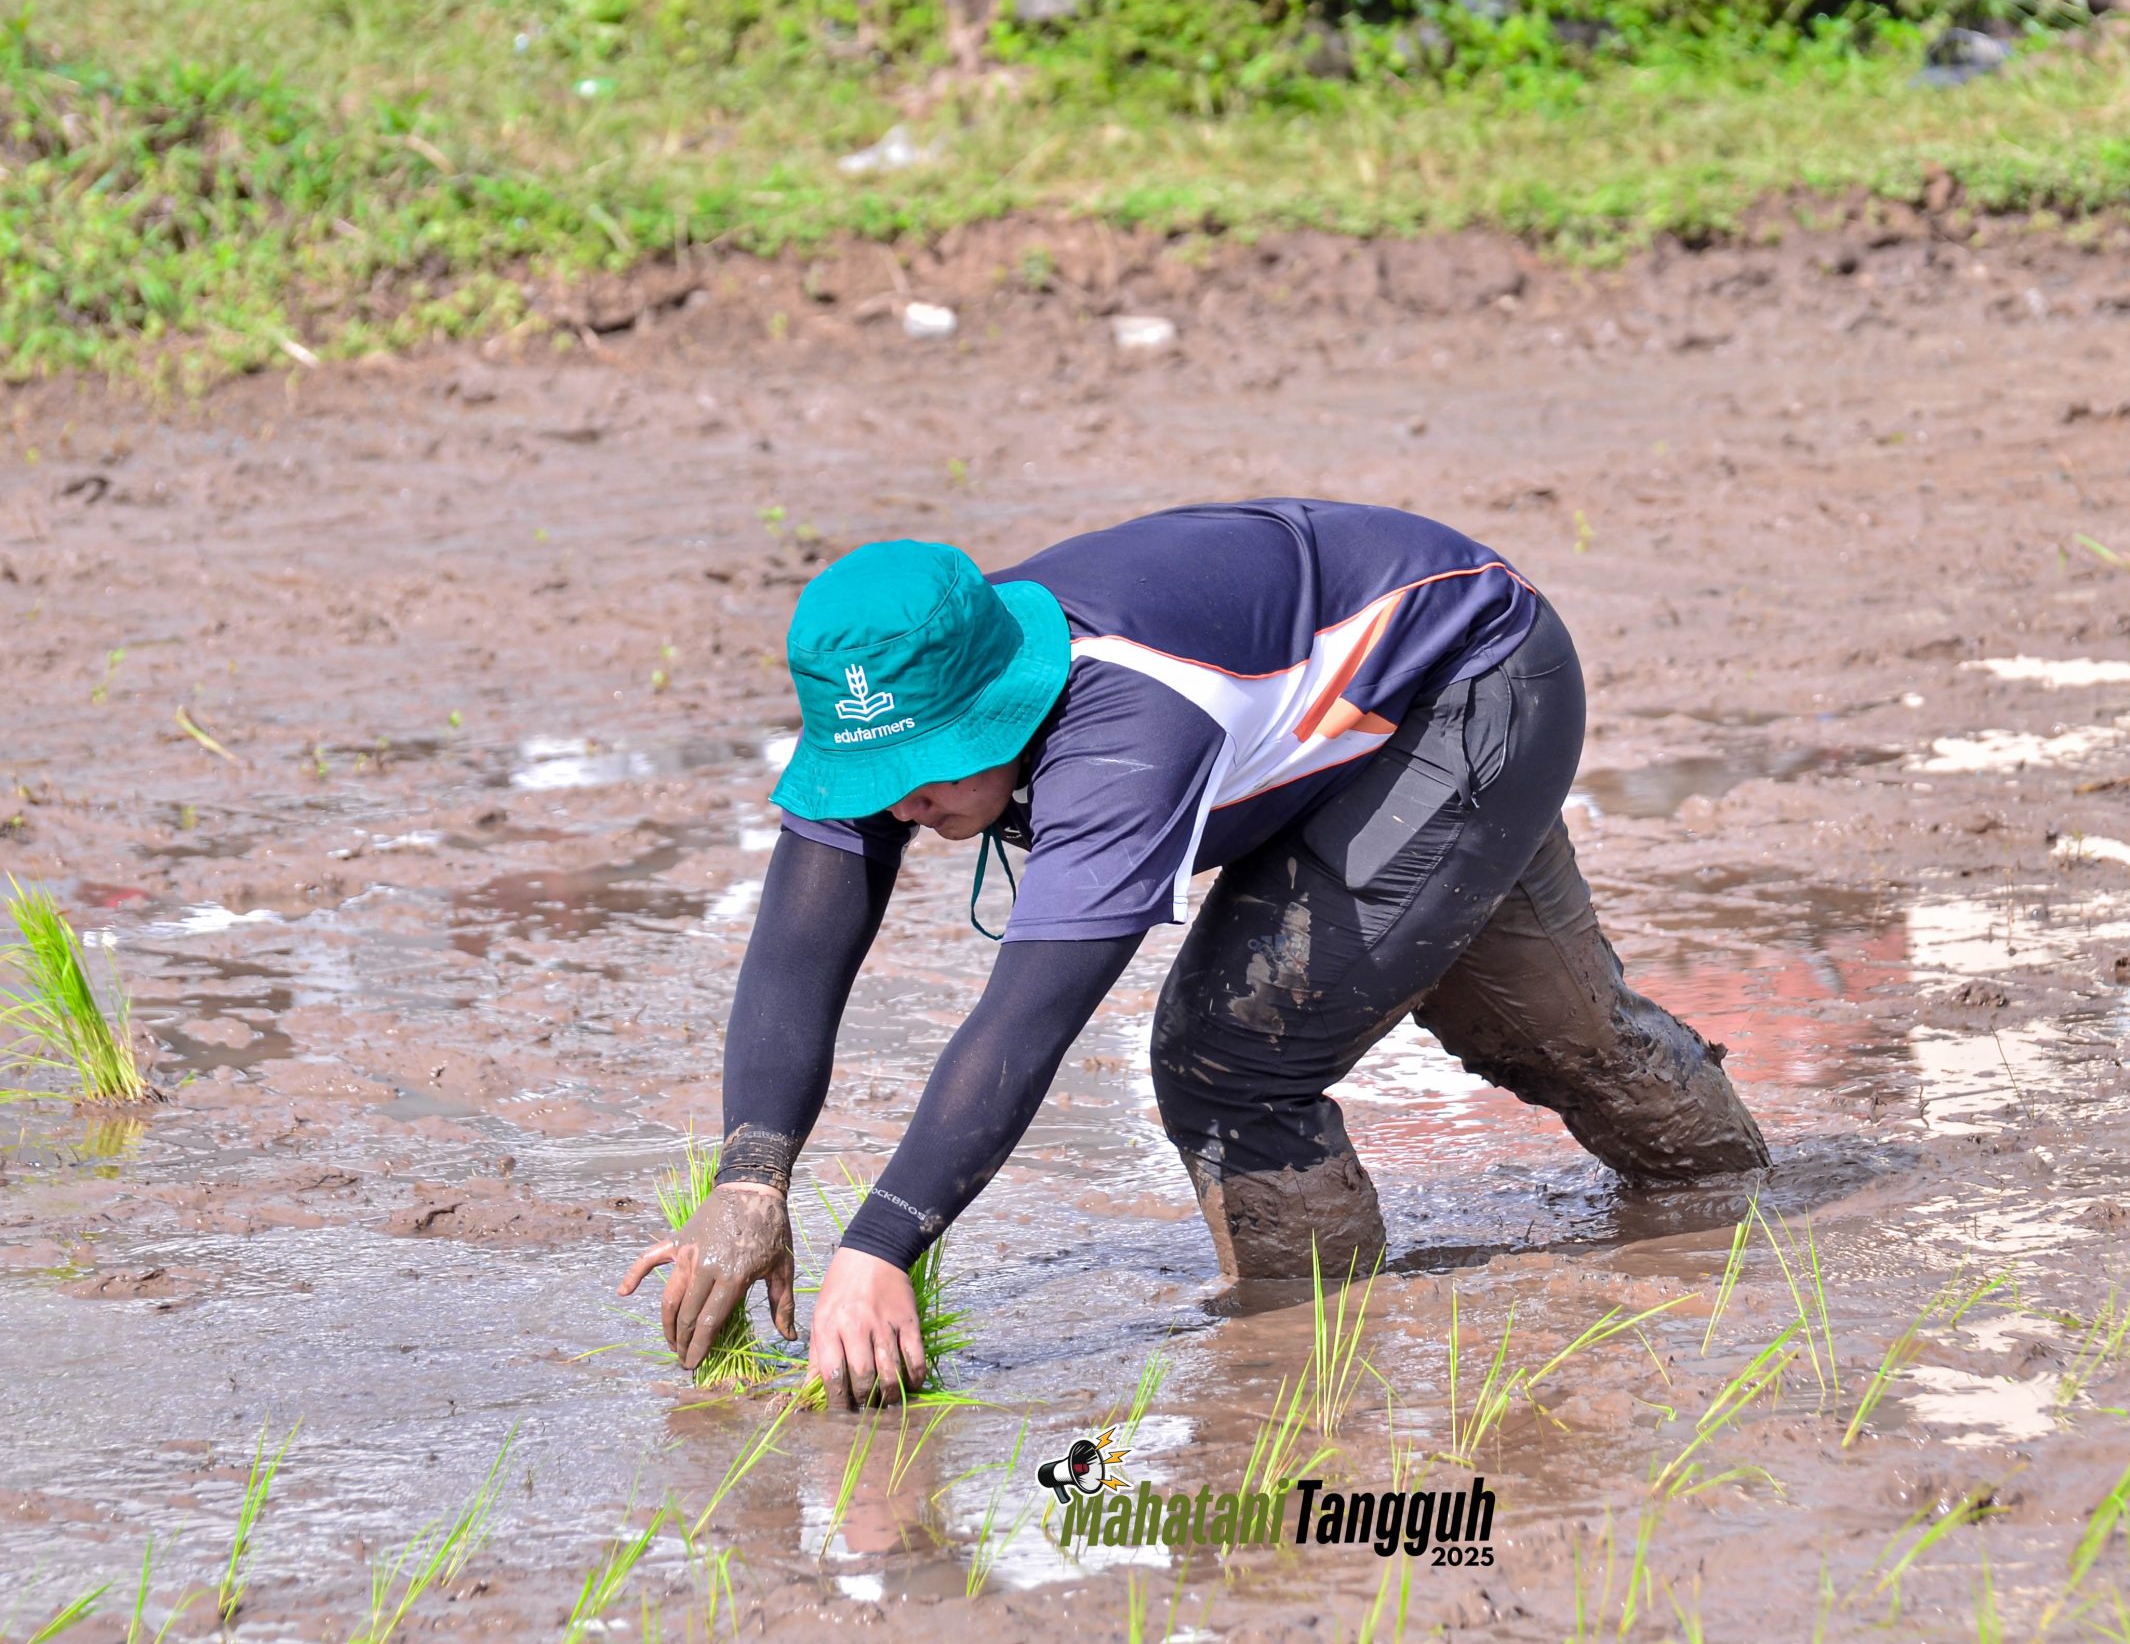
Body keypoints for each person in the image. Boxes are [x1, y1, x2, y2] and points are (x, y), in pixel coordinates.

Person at [619, 498, 1768, 1408]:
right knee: (1552, 1018)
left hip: (1469, 680)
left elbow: (1025, 1020)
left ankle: (1303, 1380)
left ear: (1004, 701)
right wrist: (749, 1178)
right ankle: (1737, 1204)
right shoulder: (892, 678)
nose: (900, 804)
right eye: (875, 777)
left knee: (1235, 1054)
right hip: (1336, 707)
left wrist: (880, 1246)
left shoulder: (1124, 732)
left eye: (931, 769)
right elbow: (797, 950)